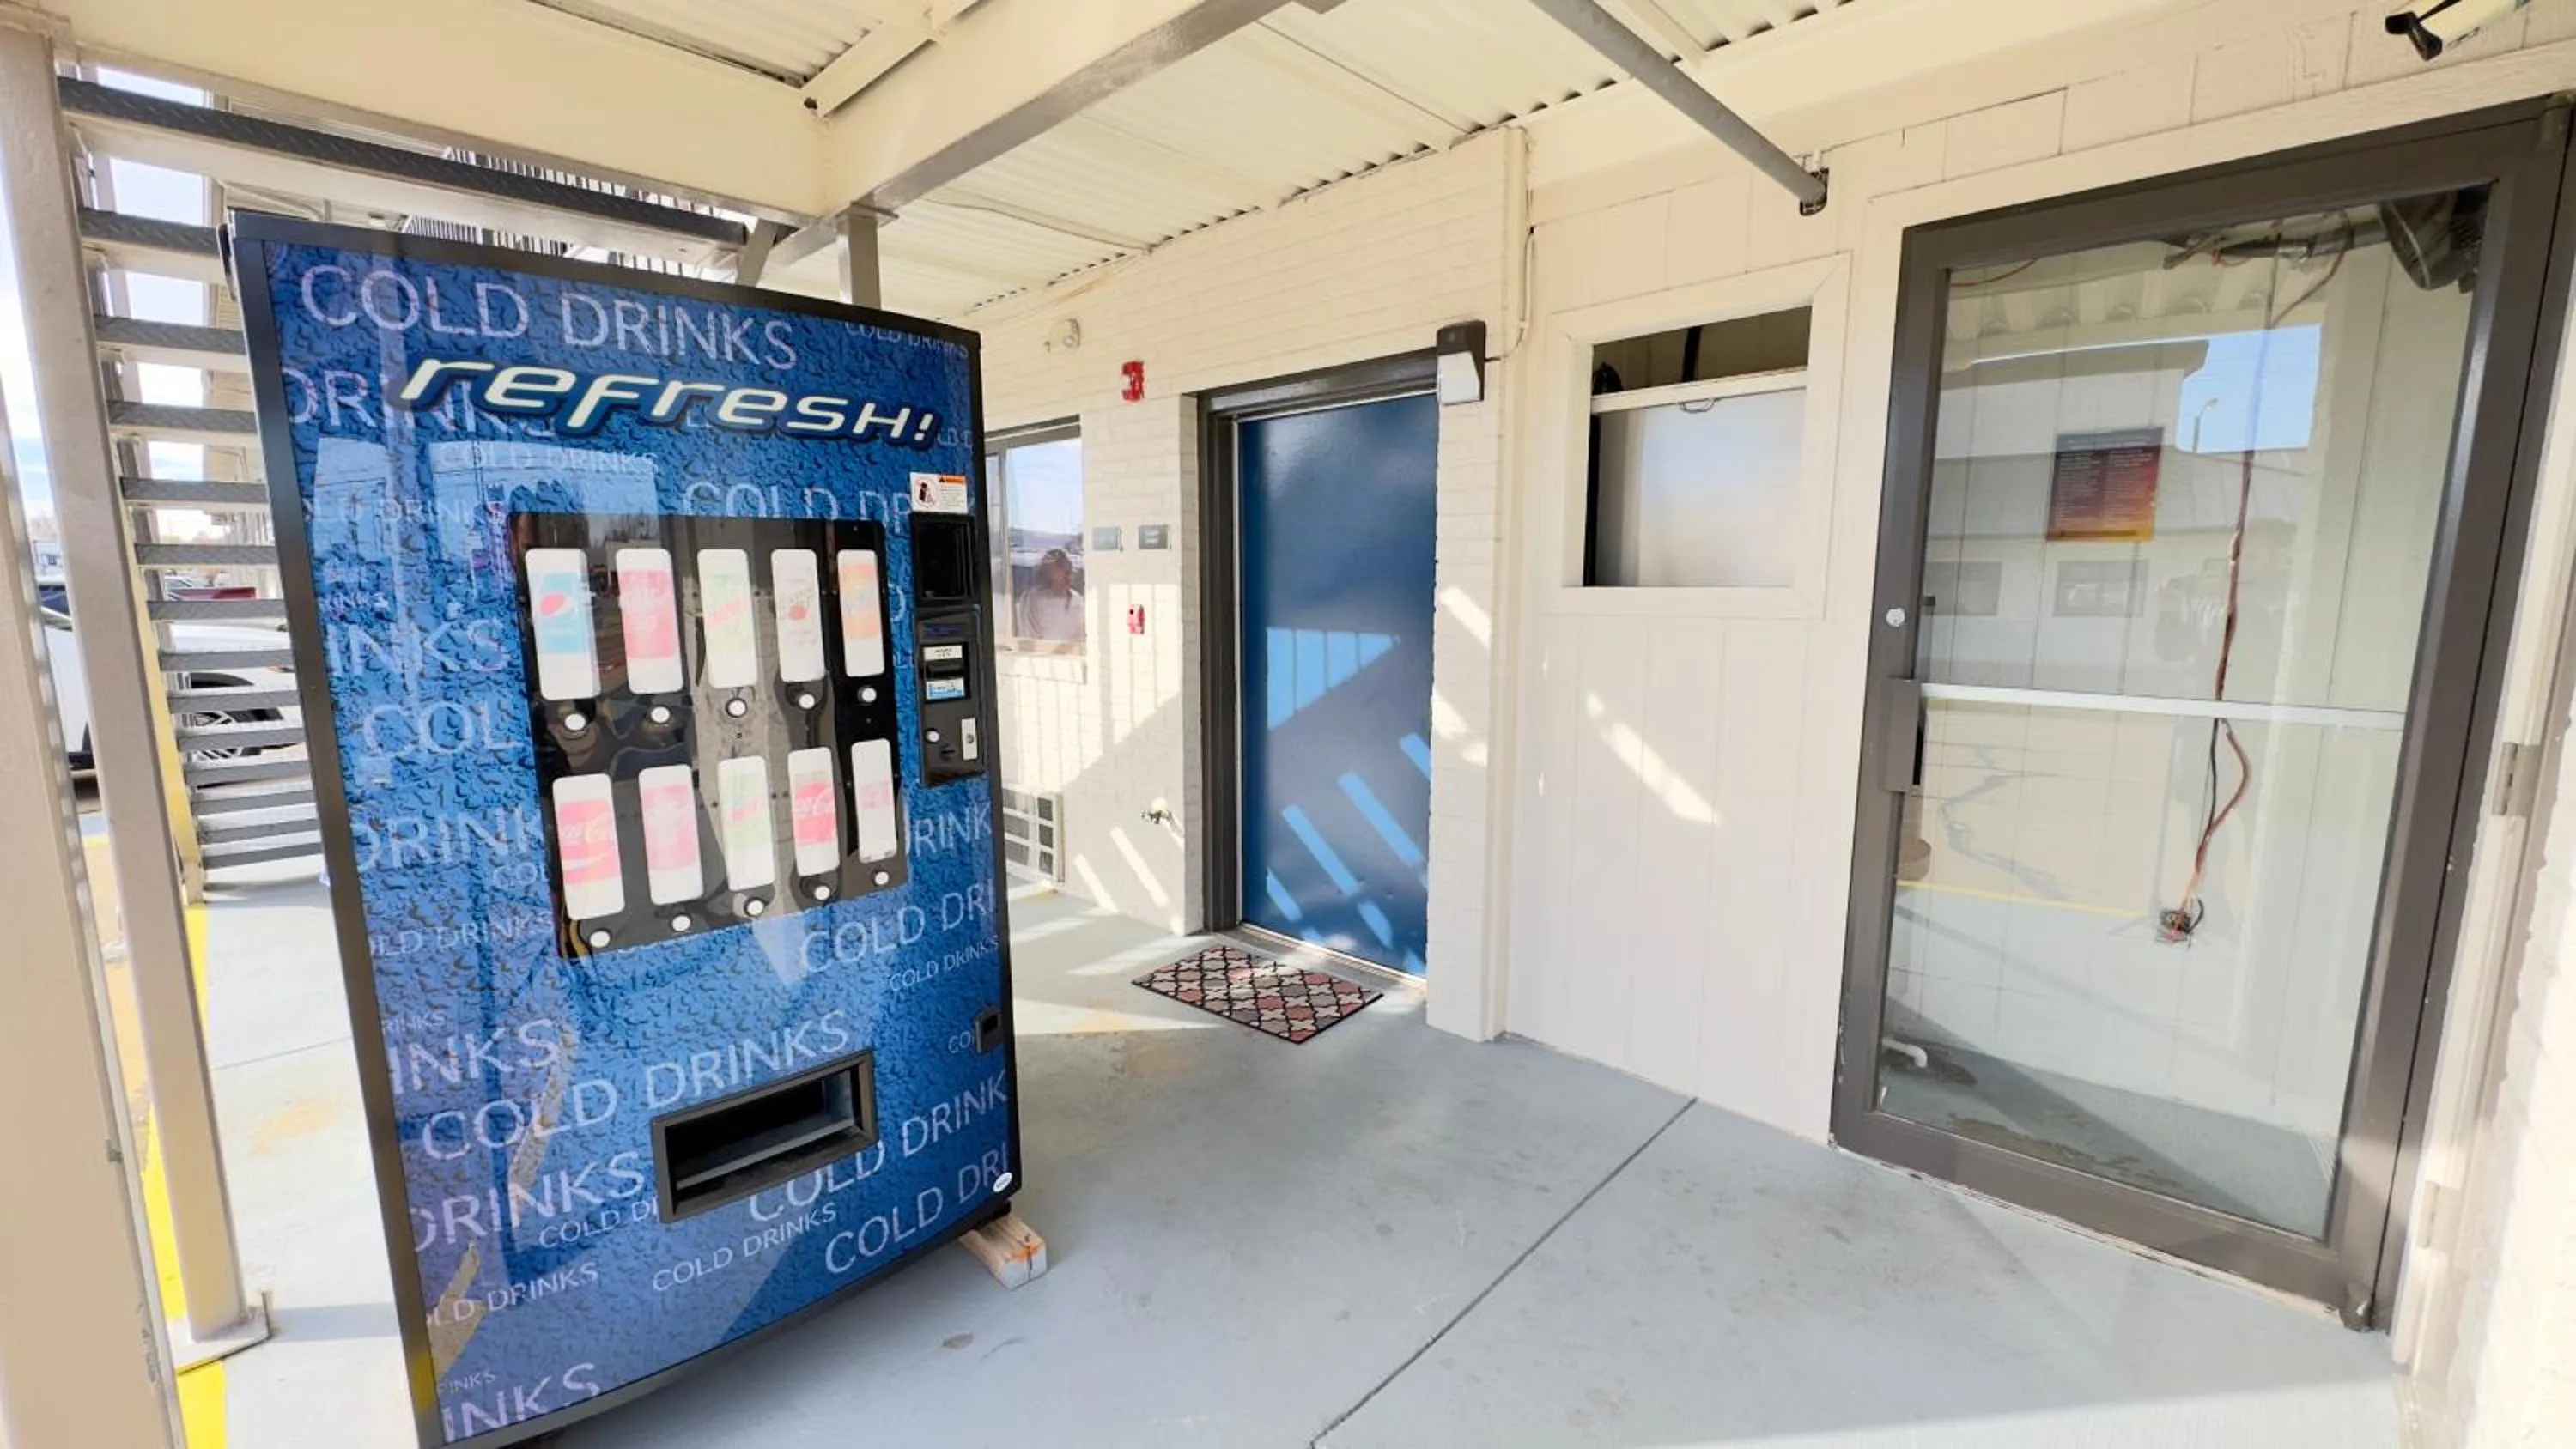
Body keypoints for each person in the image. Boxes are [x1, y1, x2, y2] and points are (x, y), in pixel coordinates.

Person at [1014, 547, 1084, 643]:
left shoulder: (1077, 600)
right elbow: (1028, 638)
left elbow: (1082, 637)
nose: (1068, 575)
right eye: (1061, 568)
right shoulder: (1031, 599)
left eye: (1069, 570)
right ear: (1047, 573)